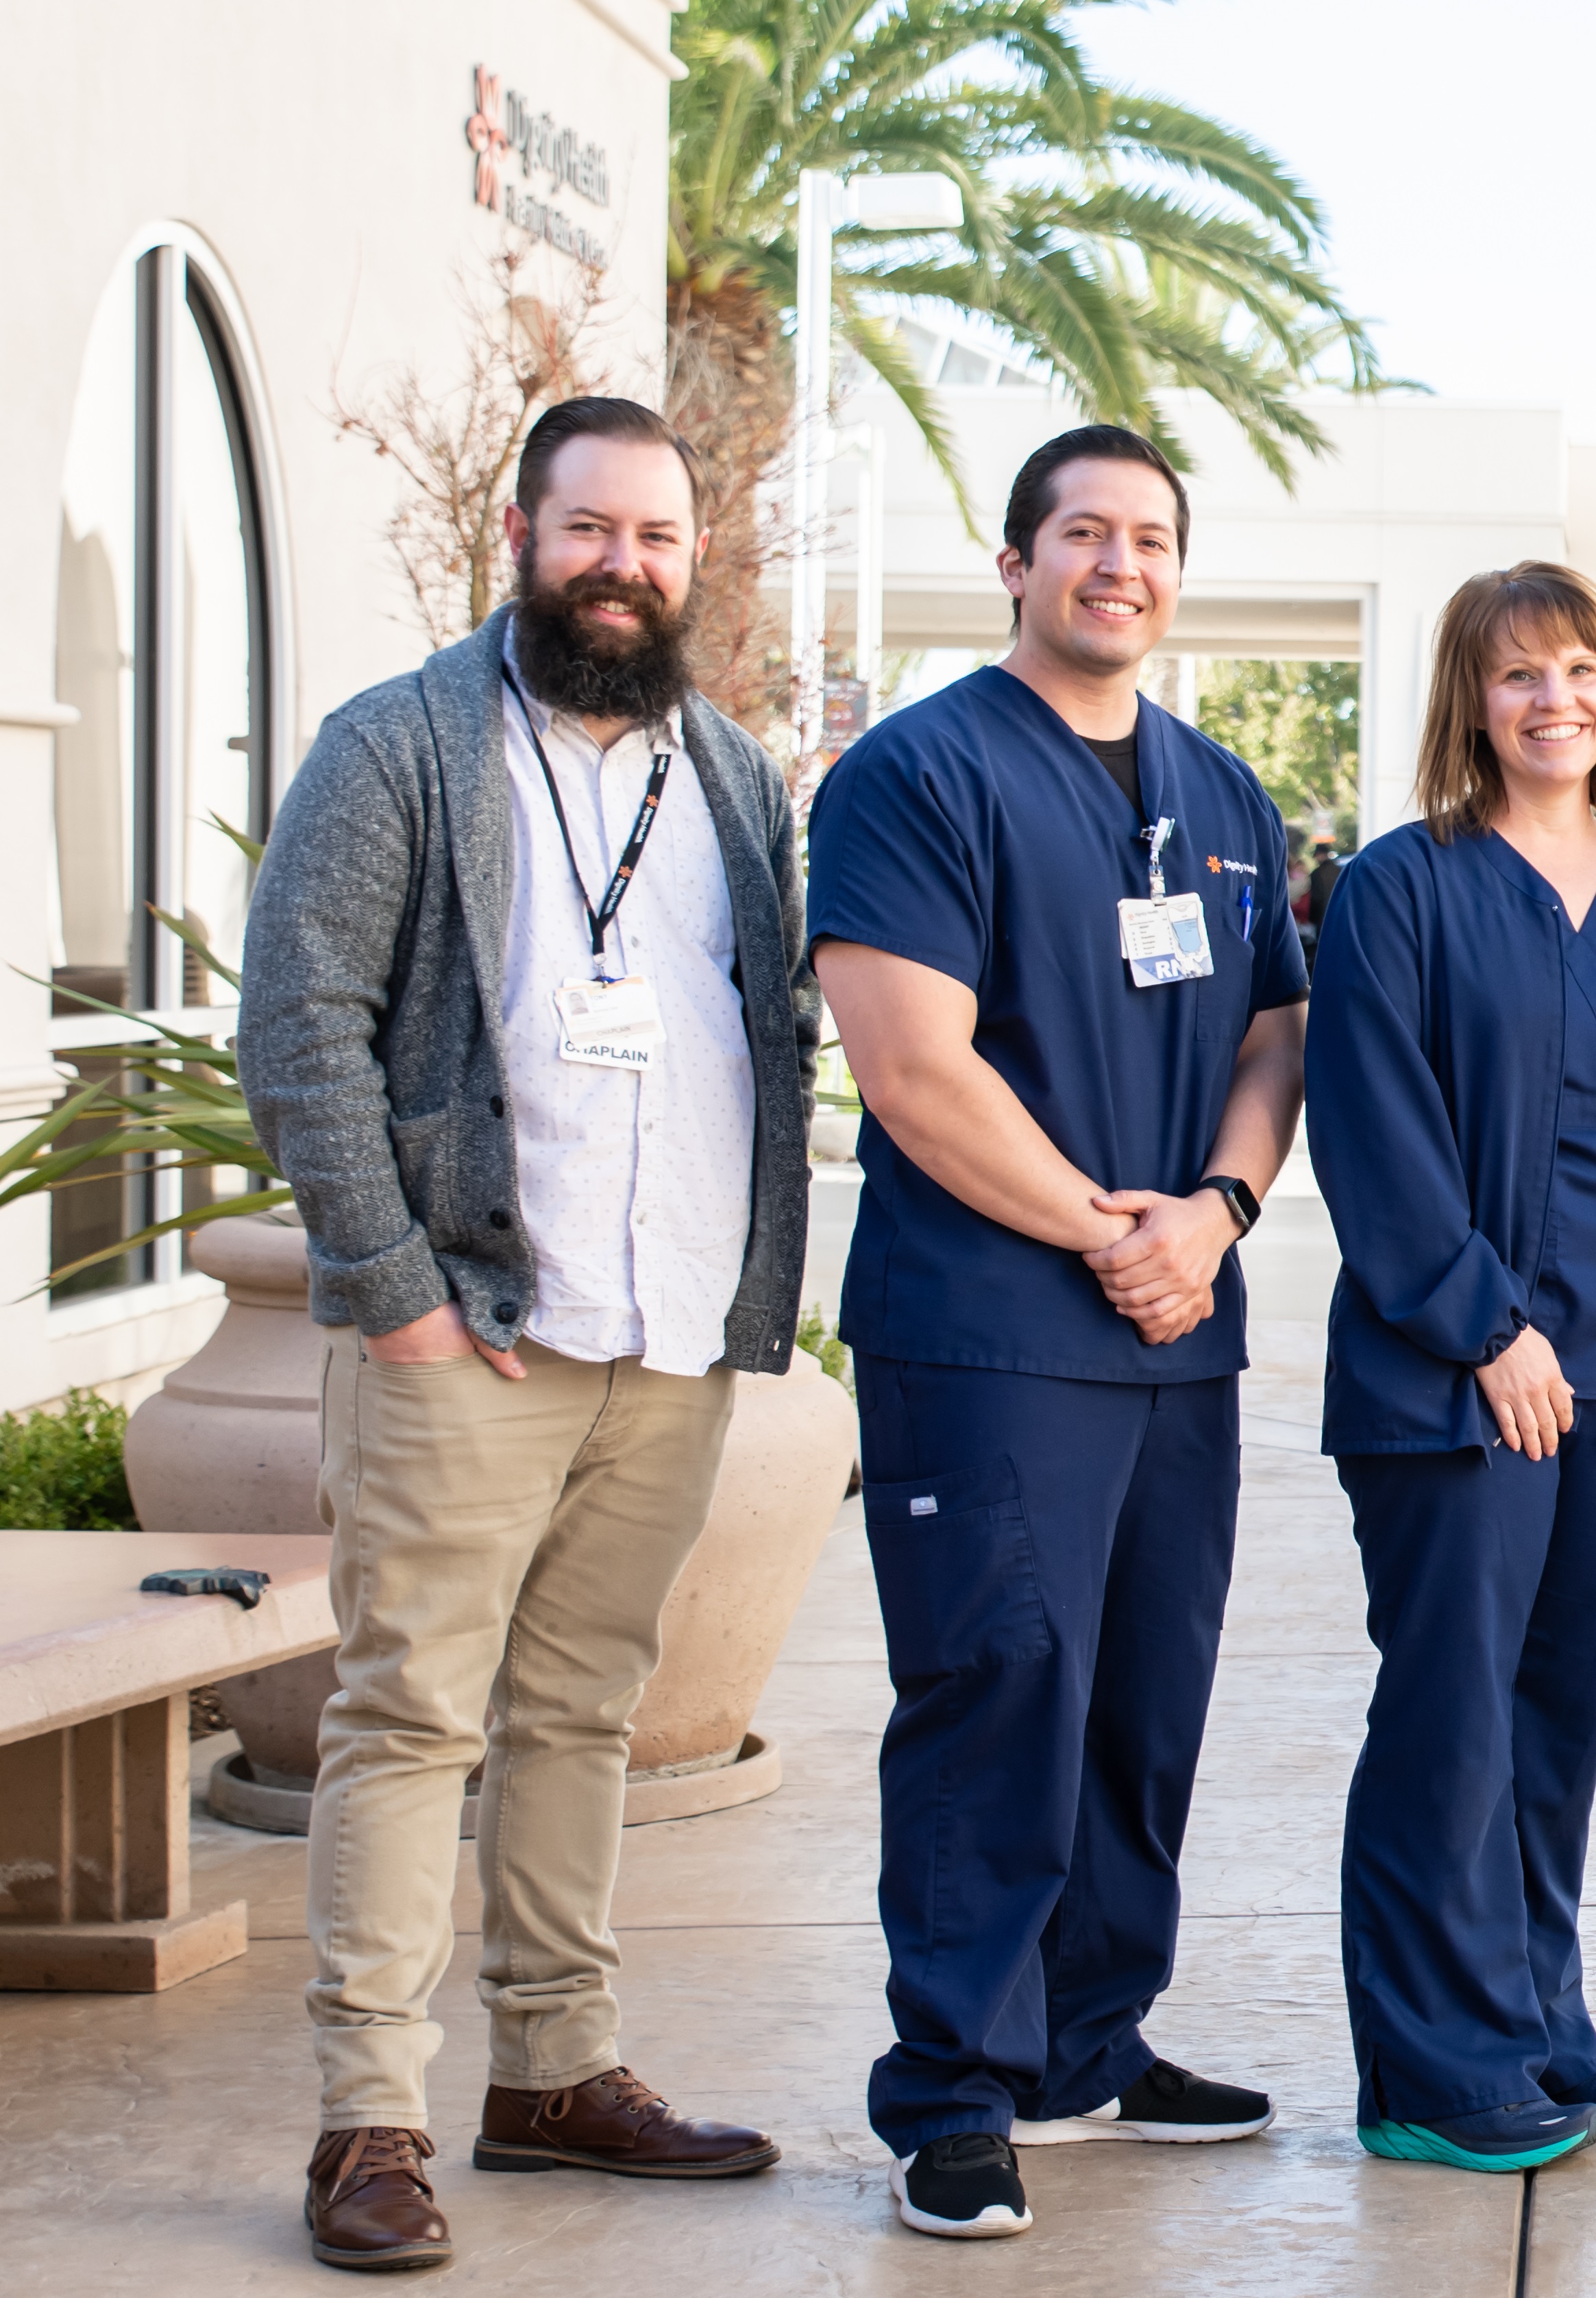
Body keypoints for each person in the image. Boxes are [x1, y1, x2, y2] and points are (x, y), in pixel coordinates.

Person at [242, 395, 813, 2272]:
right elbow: (301, 1030)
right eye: (590, 530)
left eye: (655, 538)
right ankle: (369, 2123)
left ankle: (556, 2069)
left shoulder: (729, 774)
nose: (623, 566)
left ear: (693, 561)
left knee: (586, 1711)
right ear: (521, 527)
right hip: (469, 1331)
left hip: (662, 1334)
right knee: (408, 1716)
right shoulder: (398, 747)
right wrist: (394, 1294)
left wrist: (745, 1306)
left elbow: (768, 1034)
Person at [812, 424, 1313, 2238]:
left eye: (1152, 537)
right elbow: (911, 1065)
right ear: (1013, 559)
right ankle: (953, 2084)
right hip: (991, 1329)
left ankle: (1089, 2044)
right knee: (996, 1690)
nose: (1121, 562)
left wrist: (1223, 1213)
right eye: (1084, 532)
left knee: (1141, 1706)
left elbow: (1274, 1036)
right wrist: (1115, 1233)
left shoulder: (1223, 794)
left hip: (1177, 1329)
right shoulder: (916, 777)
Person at [1303, 565, 1596, 2172]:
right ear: (1469, 705)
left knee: (1559, 1718)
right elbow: (1372, 1130)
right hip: (1456, 1386)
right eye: (1517, 678)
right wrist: (1487, 1328)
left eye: (1579, 671)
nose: (1554, 701)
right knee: (1452, 1721)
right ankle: (1430, 2069)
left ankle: (1538, 2024)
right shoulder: (1402, 890)